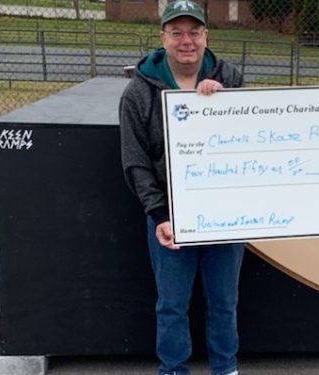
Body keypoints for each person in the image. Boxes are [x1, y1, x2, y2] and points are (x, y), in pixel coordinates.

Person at [119, 1, 244, 374]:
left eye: (194, 31)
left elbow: (251, 141)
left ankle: (226, 368)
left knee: (224, 300)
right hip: (170, 218)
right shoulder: (138, 93)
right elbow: (135, 162)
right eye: (177, 32)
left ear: (206, 36)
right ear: (164, 37)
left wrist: (223, 104)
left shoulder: (230, 78)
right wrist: (158, 214)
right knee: (172, 303)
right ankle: (173, 369)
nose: (186, 40)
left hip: (224, 214)